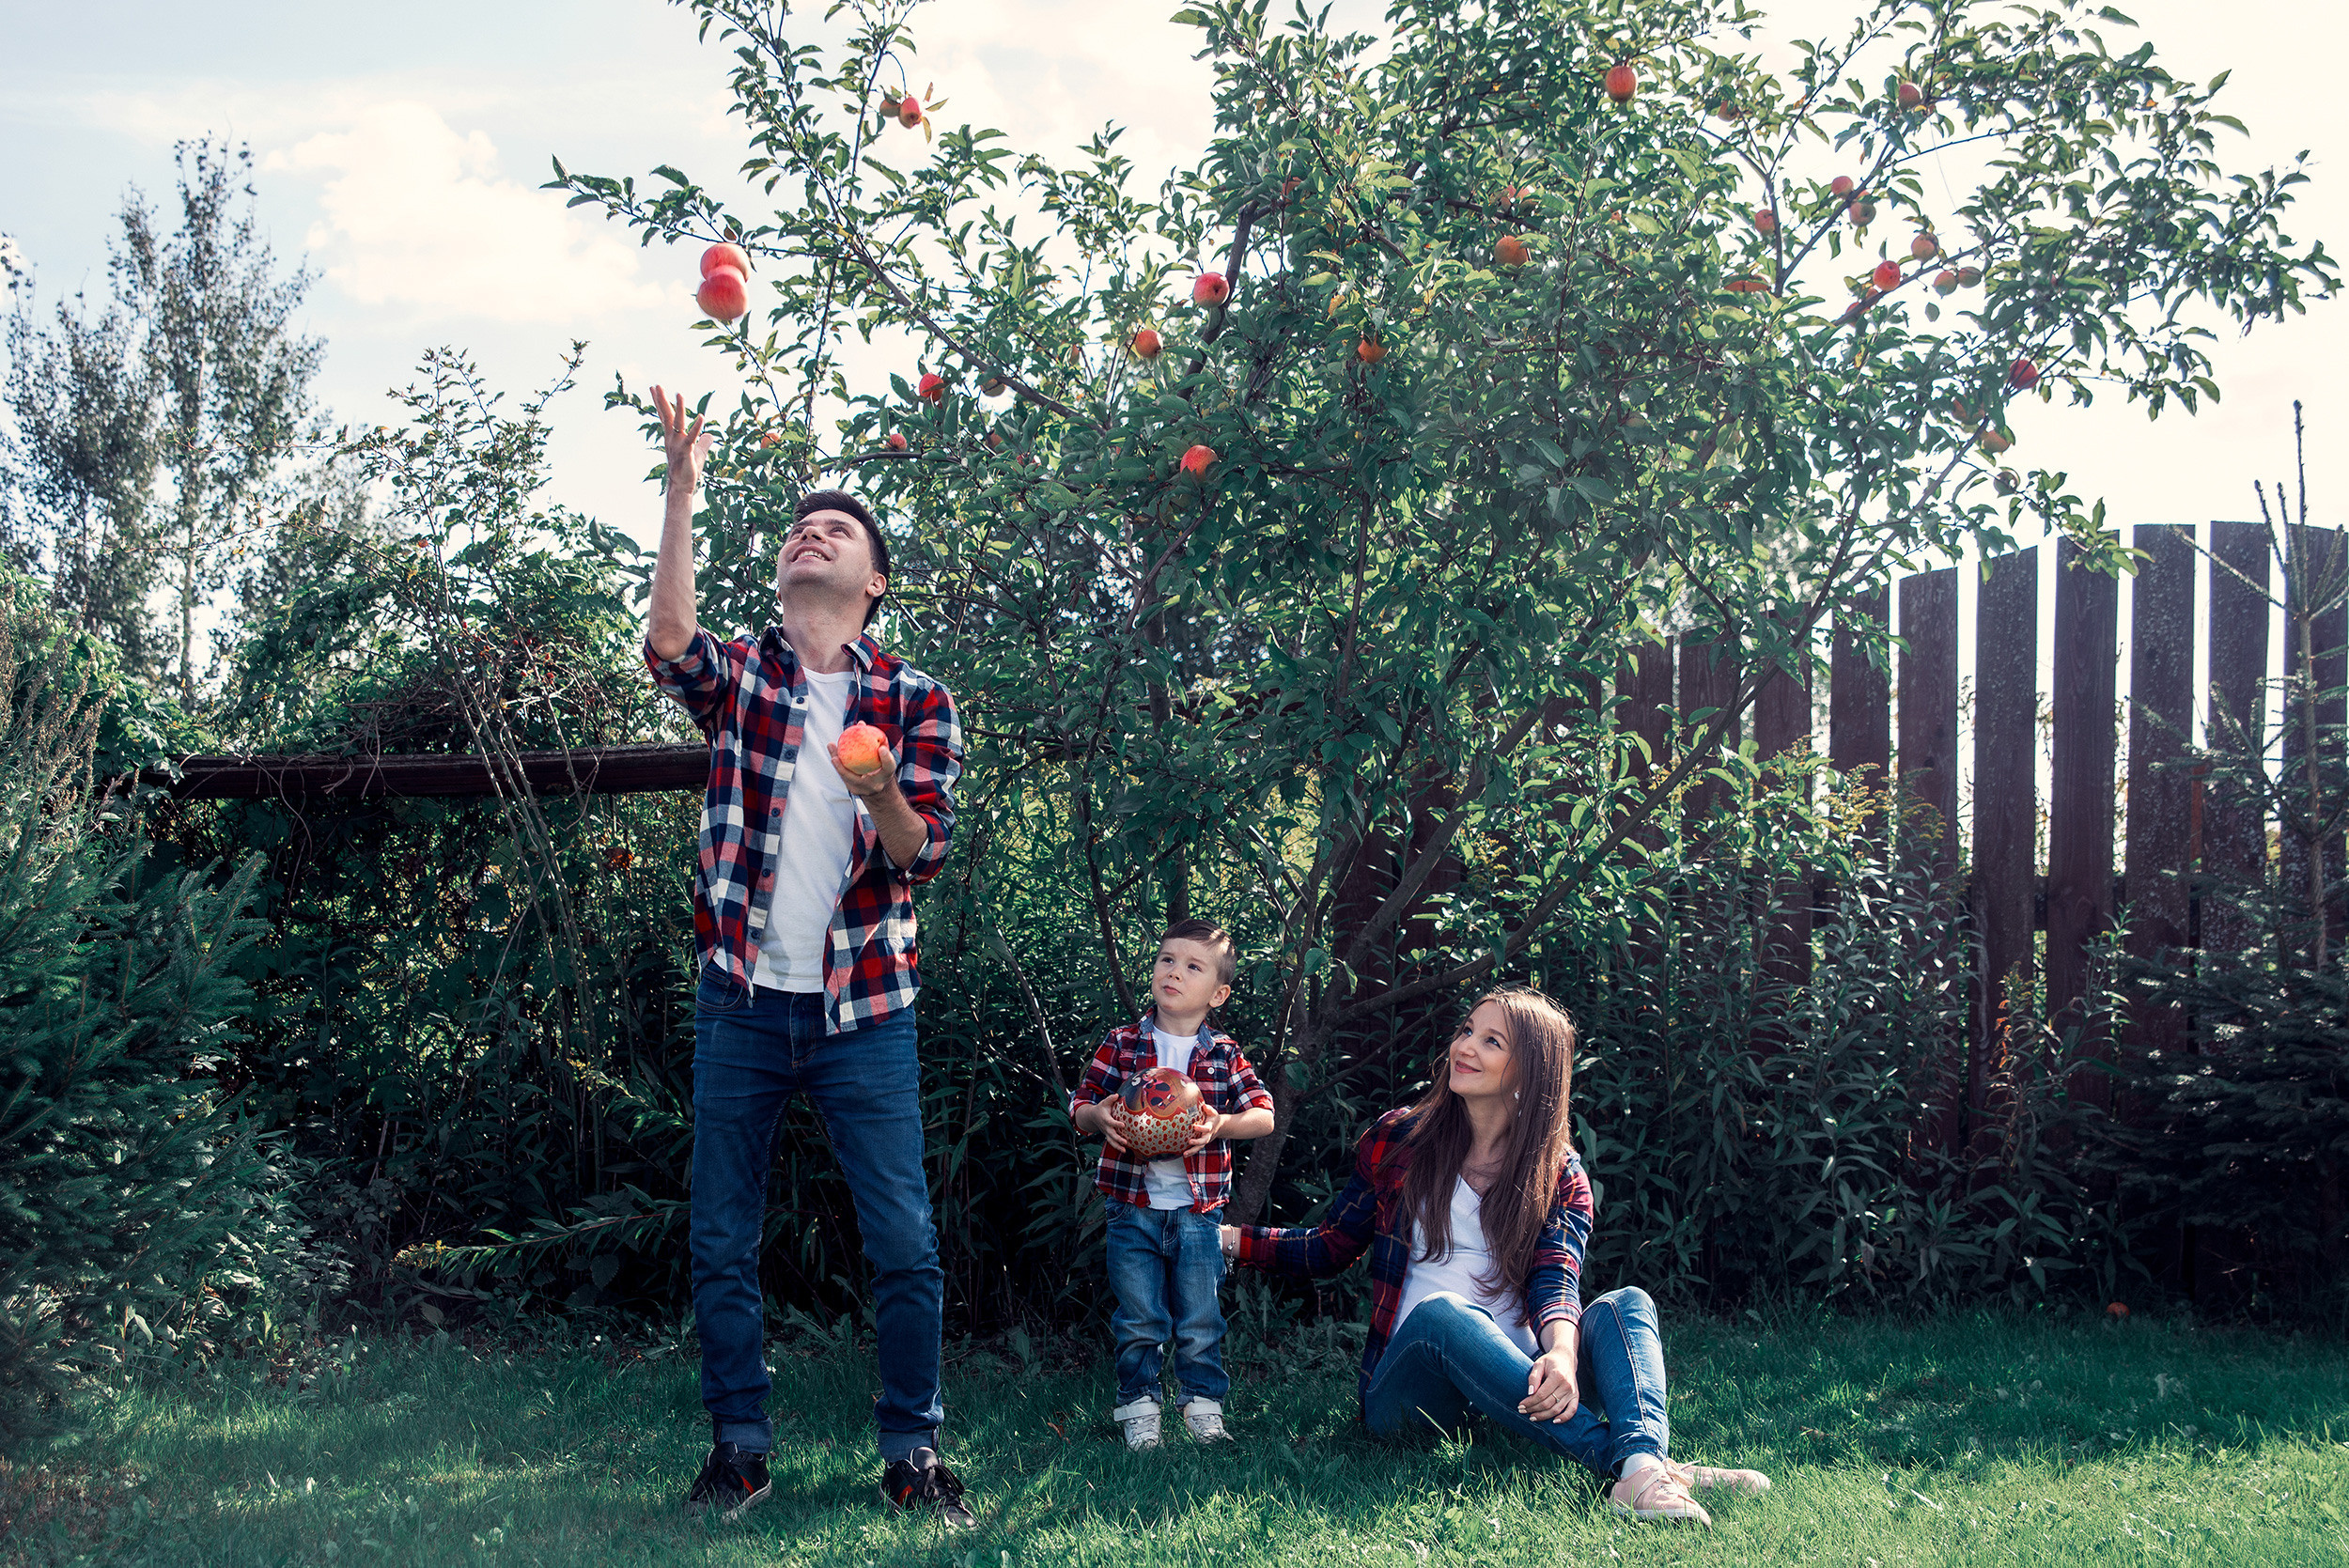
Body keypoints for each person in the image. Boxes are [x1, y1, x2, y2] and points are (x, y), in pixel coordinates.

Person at [642, 387, 973, 1528]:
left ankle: (911, 1454)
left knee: (903, 1243)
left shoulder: (916, 700)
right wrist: (683, 494)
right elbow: (669, 644)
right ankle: (738, 1450)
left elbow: (915, 854)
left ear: (873, 580)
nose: (809, 534)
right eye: (797, 528)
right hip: (740, 1001)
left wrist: (879, 785)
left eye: (836, 531)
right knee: (722, 1239)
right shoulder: (748, 678)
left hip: (864, 1011)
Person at [1221, 987, 1769, 1525]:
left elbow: (1557, 1278)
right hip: (1411, 1396)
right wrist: (1231, 1240)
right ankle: (1636, 1465)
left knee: (1628, 1303)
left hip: (1516, 1387)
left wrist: (1559, 1356)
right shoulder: (1398, 1139)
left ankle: (1642, 1465)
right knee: (1441, 1314)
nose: (1465, 1047)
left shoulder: (1558, 1174)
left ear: (1531, 1074)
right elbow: (1329, 1246)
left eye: (1491, 1041)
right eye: (1467, 1031)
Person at [1068, 921, 1276, 1450]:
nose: (1174, 972)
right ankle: (1139, 1407)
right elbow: (1080, 1104)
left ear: (1219, 993)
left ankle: (1202, 1406)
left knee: (1200, 1316)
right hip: (1130, 1207)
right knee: (1139, 1315)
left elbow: (1264, 1116)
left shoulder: (1224, 1054)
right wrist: (1101, 1117)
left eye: (1193, 966)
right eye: (1166, 960)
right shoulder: (1123, 1043)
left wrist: (1219, 1125)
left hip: (1197, 1210)